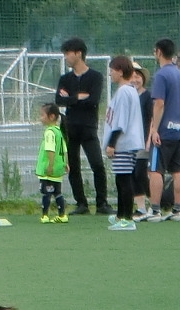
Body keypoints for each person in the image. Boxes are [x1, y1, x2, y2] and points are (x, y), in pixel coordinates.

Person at [55, 39, 109, 217]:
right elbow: (59, 100)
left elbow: (93, 100)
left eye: (67, 53)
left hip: (88, 127)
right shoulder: (65, 79)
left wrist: (70, 98)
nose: (66, 57)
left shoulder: (95, 77)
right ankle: (81, 203)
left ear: (78, 53)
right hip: (69, 127)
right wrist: (77, 97)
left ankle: (102, 203)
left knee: (97, 164)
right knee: (73, 166)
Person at [144, 39, 180, 220]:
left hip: (163, 132)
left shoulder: (161, 75)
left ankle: (155, 209)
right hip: (178, 130)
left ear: (158, 52)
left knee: (155, 170)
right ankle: (178, 210)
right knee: (177, 170)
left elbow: (159, 103)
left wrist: (155, 129)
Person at [104, 55, 146, 230]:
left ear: (120, 72)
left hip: (124, 143)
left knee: (124, 180)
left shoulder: (124, 92)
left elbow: (120, 121)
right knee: (121, 178)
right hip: (126, 142)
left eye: (112, 70)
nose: (110, 74)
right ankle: (121, 215)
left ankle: (127, 218)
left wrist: (111, 143)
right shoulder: (129, 90)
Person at [36, 103, 67, 222]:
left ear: (52, 116)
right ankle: (62, 215)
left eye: (42, 115)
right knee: (57, 192)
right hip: (59, 168)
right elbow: (64, 149)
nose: (40, 118)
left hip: (49, 169)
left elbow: (50, 149)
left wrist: (50, 164)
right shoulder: (58, 131)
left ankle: (45, 215)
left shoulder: (49, 132)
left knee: (46, 193)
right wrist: (65, 163)